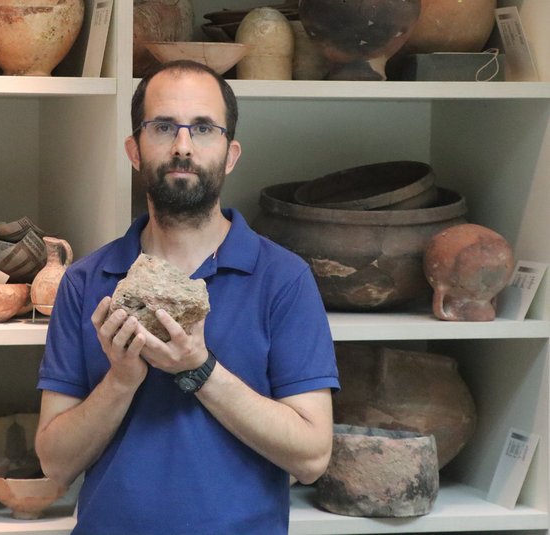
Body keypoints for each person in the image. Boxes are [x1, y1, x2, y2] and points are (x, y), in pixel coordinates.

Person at [35, 60, 340, 535]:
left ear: (230, 153)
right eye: (162, 127)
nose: (182, 145)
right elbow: (55, 464)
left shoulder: (283, 278)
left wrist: (199, 369)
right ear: (134, 150)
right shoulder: (86, 281)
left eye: (202, 128)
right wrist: (120, 380)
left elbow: (313, 456)